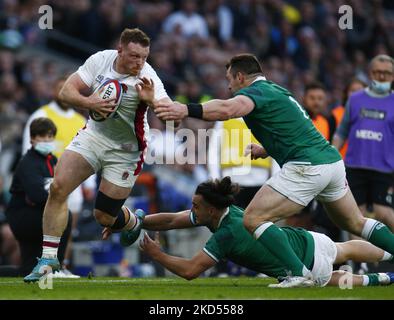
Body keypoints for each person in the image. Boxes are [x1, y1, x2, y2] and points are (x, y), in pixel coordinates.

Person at [150, 53, 394, 287]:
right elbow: (295, 129)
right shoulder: (278, 91)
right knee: (355, 222)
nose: (228, 87)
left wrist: (185, 109)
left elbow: (227, 110)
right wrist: (266, 149)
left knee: (253, 218)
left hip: (307, 166)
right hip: (331, 163)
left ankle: (297, 274)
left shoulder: (255, 92)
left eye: (229, 80)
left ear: (240, 77)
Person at [24, 28, 173, 282]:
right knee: (58, 187)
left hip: (126, 151)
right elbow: (66, 92)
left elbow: (170, 115)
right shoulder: (100, 60)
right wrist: (90, 102)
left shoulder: (148, 78)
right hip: (94, 136)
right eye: (134, 56)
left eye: (144, 57)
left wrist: (151, 102)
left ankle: (132, 222)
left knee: (103, 216)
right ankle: (48, 260)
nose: (139, 63)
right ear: (120, 50)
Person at [120, 177, 394, 288]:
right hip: (305, 238)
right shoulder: (227, 212)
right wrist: (136, 220)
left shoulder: (226, 233)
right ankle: (389, 255)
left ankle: (385, 277)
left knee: (333, 279)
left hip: (302, 266)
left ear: (211, 210)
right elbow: (171, 220)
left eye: (195, 206)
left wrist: (157, 254)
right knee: (343, 249)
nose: (191, 210)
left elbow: (191, 271)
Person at [22, 76, 90, 278]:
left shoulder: (81, 121)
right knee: (50, 227)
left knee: (70, 228)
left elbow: (89, 151)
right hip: (49, 179)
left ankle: (62, 266)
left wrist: (90, 183)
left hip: (76, 180)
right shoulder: (41, 115)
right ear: (54, 91)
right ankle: (43, 265)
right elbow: (29, 147)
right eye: (60, 89)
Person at [333, 55, 394, 231]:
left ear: (393, 76)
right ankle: (359, 259)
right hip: (354, 166)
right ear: (370, 73)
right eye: (377, 72)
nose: (381, 77)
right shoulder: (356, 99)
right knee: (354, 216)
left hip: (383, 168)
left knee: (383, 212)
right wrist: (332, 153)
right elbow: (342, 131)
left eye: (386, 73)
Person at [5, 118, 72, 276]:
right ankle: (57, 267)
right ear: (32, 139)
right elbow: (37, 195)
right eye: (42, 136)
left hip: (34, 213)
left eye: (50, 136)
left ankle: (52, 268)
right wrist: (57, 197)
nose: (47, 140)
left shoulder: (52, 160)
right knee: (63, 216)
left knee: (27, 269)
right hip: (24, 216)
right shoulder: (28, 163)